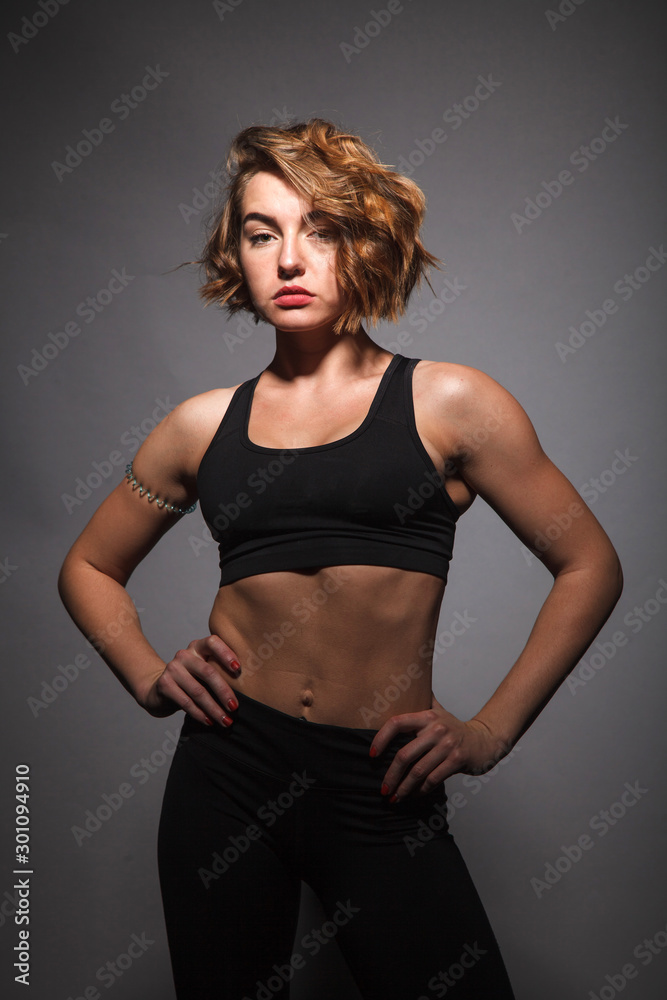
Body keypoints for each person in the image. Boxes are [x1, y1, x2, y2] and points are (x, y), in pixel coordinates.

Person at [58, 118, 623, 999]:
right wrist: (146, 673)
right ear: (234, 256)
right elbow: (88, 568)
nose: (289, 259)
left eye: (320, 230)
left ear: (366, 242)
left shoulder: (450, 403)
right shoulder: (200, 427)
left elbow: (589, 563)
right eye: (261, 233)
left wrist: (486, 732)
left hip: (379, 781)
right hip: (227, 773)